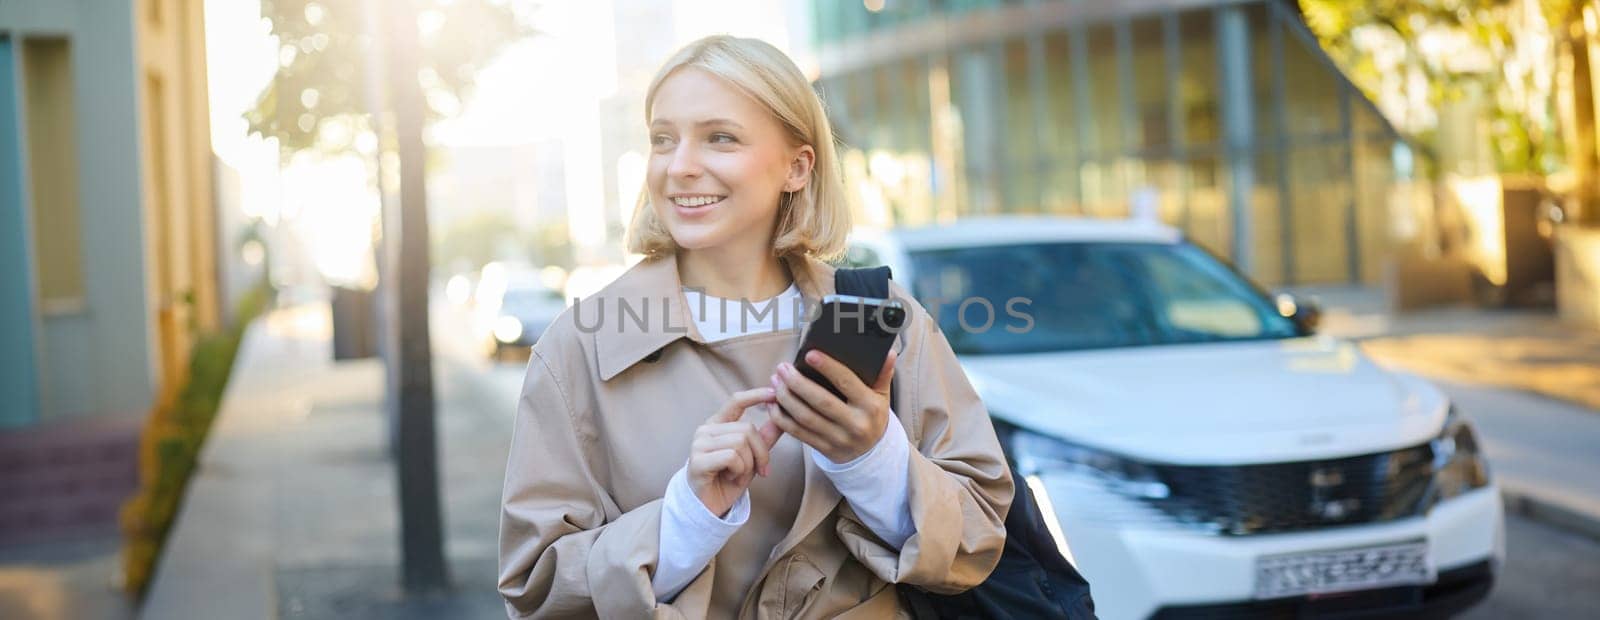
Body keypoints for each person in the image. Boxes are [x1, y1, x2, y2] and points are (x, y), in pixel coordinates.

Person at [498, 34, 1013, 619]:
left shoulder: (887, 320)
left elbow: (978, 541)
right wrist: (687, 516)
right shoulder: (580, 345)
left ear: (797, 166)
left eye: (720, 138)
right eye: (663, 139)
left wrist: (872, 458)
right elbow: (536, 591)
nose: (680, 166)